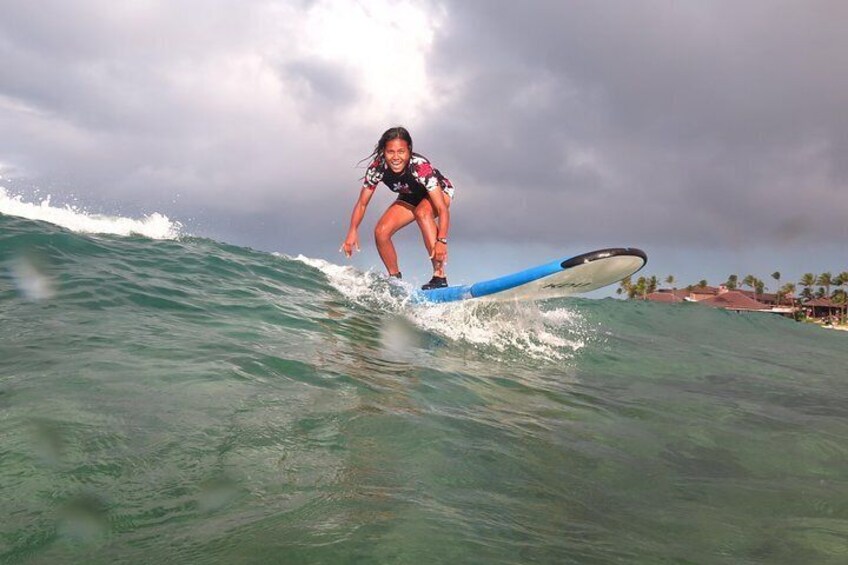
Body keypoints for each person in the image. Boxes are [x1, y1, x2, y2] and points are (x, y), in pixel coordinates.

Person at [341, 126, 454, 290]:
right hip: (410, 196)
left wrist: (441, 240)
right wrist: (352, 230)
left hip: (440, 193)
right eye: (390, 152)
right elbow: (362, 203)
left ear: (409, 151)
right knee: (381, 231)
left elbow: (442, 209)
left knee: (422, 213)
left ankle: (439, 276)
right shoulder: (377, 168)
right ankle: (395, 280)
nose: (395, 157)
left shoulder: (420, 167)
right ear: (384, 152)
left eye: (401, 152)